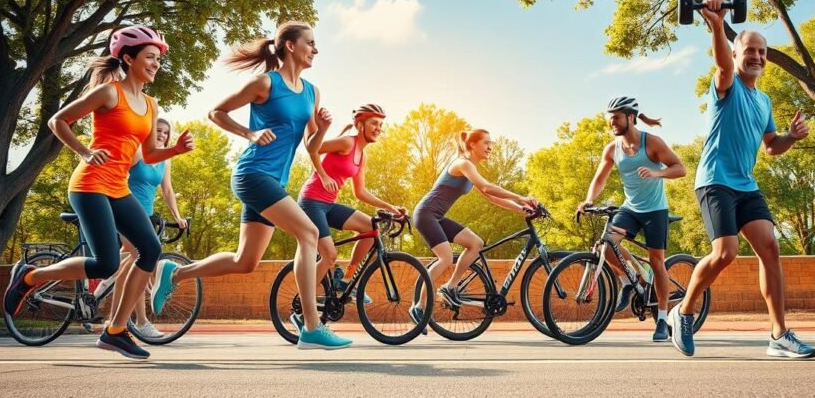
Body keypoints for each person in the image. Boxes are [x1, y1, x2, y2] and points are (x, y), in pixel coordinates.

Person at [150, 21, 351, 349]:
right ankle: (312, 326)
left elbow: (312, 145)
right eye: (310, 43)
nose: (316, 49)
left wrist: (324, 127)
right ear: (290, 46)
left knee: (246, 262)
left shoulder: (312, 92)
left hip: (275, 180)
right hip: (252, 174)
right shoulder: (265, 83)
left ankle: (173, 274)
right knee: (309, 233)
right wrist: (249, 133)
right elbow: (216, 112)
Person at [4, 26, 194, 359]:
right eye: (150, 58)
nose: (155, 64)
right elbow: (58, 121)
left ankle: (116, 331)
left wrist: (174, 150)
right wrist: (84, 151)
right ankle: (31, 276)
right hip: (90, 185)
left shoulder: (150, 104)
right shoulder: (109, 93)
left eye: (158, 60)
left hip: (118, 187)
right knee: (106, 264)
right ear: (128, 58)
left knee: (149, 249)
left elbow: (149, 155)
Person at [669, 0, 815, 359]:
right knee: (726, 253)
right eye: (750, 50)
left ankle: (779, 335)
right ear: (737, 55)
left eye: (762, 51)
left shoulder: (764, 101)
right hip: (715, 181)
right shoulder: (726, 85)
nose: (757, 56)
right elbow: (721, 66)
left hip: (746, 185)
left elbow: (770, 146)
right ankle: (682, 312)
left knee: (770, 248)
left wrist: (792, 138)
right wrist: (717, 25)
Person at [579, 96, 686, 342]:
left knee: (656, 261)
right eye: (610, 118)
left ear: (630, 117)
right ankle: (629, 280)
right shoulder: (612, 149)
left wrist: (657, 172)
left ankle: (661, 318)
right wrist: (588, 200)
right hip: (631, 208)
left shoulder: (652, 143)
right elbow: (600, 179)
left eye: (616, 117)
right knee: (607, 243)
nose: (612, 122)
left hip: (655, 210)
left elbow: (680, 168)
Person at [410, 129, 537, 327]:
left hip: (437, 216)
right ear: (472, 145)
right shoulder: (462, 163)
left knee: (475, 243)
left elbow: (492, 197)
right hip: (425, 214)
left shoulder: (470, 169)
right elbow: (487, 187)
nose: (490, 147)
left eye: (491, 143)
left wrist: (521, 209)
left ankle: (450, 287)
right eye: (486, 143)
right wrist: (521, 197)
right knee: (444, 257)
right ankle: (419, 306)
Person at [298, 103, 405, 302]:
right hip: (311, 201)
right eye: (374, 123)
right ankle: (306, 305)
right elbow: (313, 148)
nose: (378, 128)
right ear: (360, 124)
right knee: (330, 254)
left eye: (381, 124)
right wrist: (322, 176)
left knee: (369, 229)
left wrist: (390, 207)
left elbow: (361, 192)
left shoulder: (361, 155)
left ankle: (346, 280)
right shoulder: (347, 142)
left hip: (328, 204)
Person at [107, 117, 187, 338]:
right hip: (124, 211)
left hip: (146, 216)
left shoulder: (166, 159)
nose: (161, 135)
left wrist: (178, 217)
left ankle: (112, 320)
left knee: (131, 265)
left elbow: (168, 190)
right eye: (158, 131)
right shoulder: (139, 153)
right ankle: (141, 323)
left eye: (165, 132)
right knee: (141, 262)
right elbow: (117, 175)